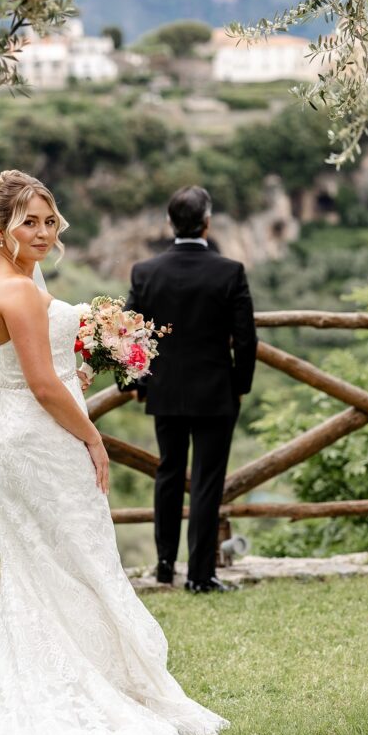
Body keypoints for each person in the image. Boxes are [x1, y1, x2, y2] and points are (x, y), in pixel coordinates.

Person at [0, 169, 228, 735]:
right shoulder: (19, 292)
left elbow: (11, 369)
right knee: (77, 560)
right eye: (28, 223)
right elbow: (40, 386)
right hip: (39, 441)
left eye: (48, 220)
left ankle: (85, 674)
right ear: (1, 228)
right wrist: (91, 436)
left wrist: (75, 370)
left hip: (14, 436)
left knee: (50, 569)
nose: (43, 232)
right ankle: (88, 689)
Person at [123, 186, 257, 594]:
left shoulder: (145, 272)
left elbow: (125, 332)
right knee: (206, 482)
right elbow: (247, 339)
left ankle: (165, 564)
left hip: (165, 392)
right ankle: (200, 575)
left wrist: (138, 381)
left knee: (167, 473)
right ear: (207, 223)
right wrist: (239, 387)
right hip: (216, 393)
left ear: (170, 223)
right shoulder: (229, 271)